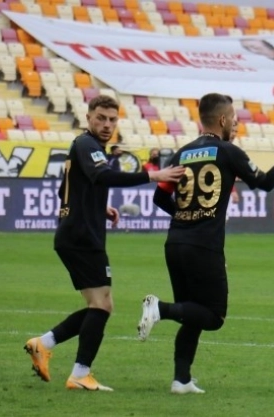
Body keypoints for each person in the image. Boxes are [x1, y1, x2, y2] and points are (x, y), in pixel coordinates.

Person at [137, 93, 274, 394]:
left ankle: (181, 380)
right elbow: (265, 183)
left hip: (175, 242)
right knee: (214, 316)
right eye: (233, 118)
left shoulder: (182, 153)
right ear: (222, 119)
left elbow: (160, 197)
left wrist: (186, 217)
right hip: (203, 245)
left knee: (191, 311)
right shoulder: (228, 152)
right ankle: (160, 309)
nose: (235, 124)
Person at [23, 95, 185, 392]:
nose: (107, 124)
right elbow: (104, 176)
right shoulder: (87, 145)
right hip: (82, 237)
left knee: (101, 305)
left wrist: (99, 208)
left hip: (79, 234)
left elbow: (66, 190)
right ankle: (79, 373)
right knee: (102, 305)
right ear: (88, 118)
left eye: (112, 119)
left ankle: (43, 344)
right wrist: (153, 174)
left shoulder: (86, 147)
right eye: (101, 118)